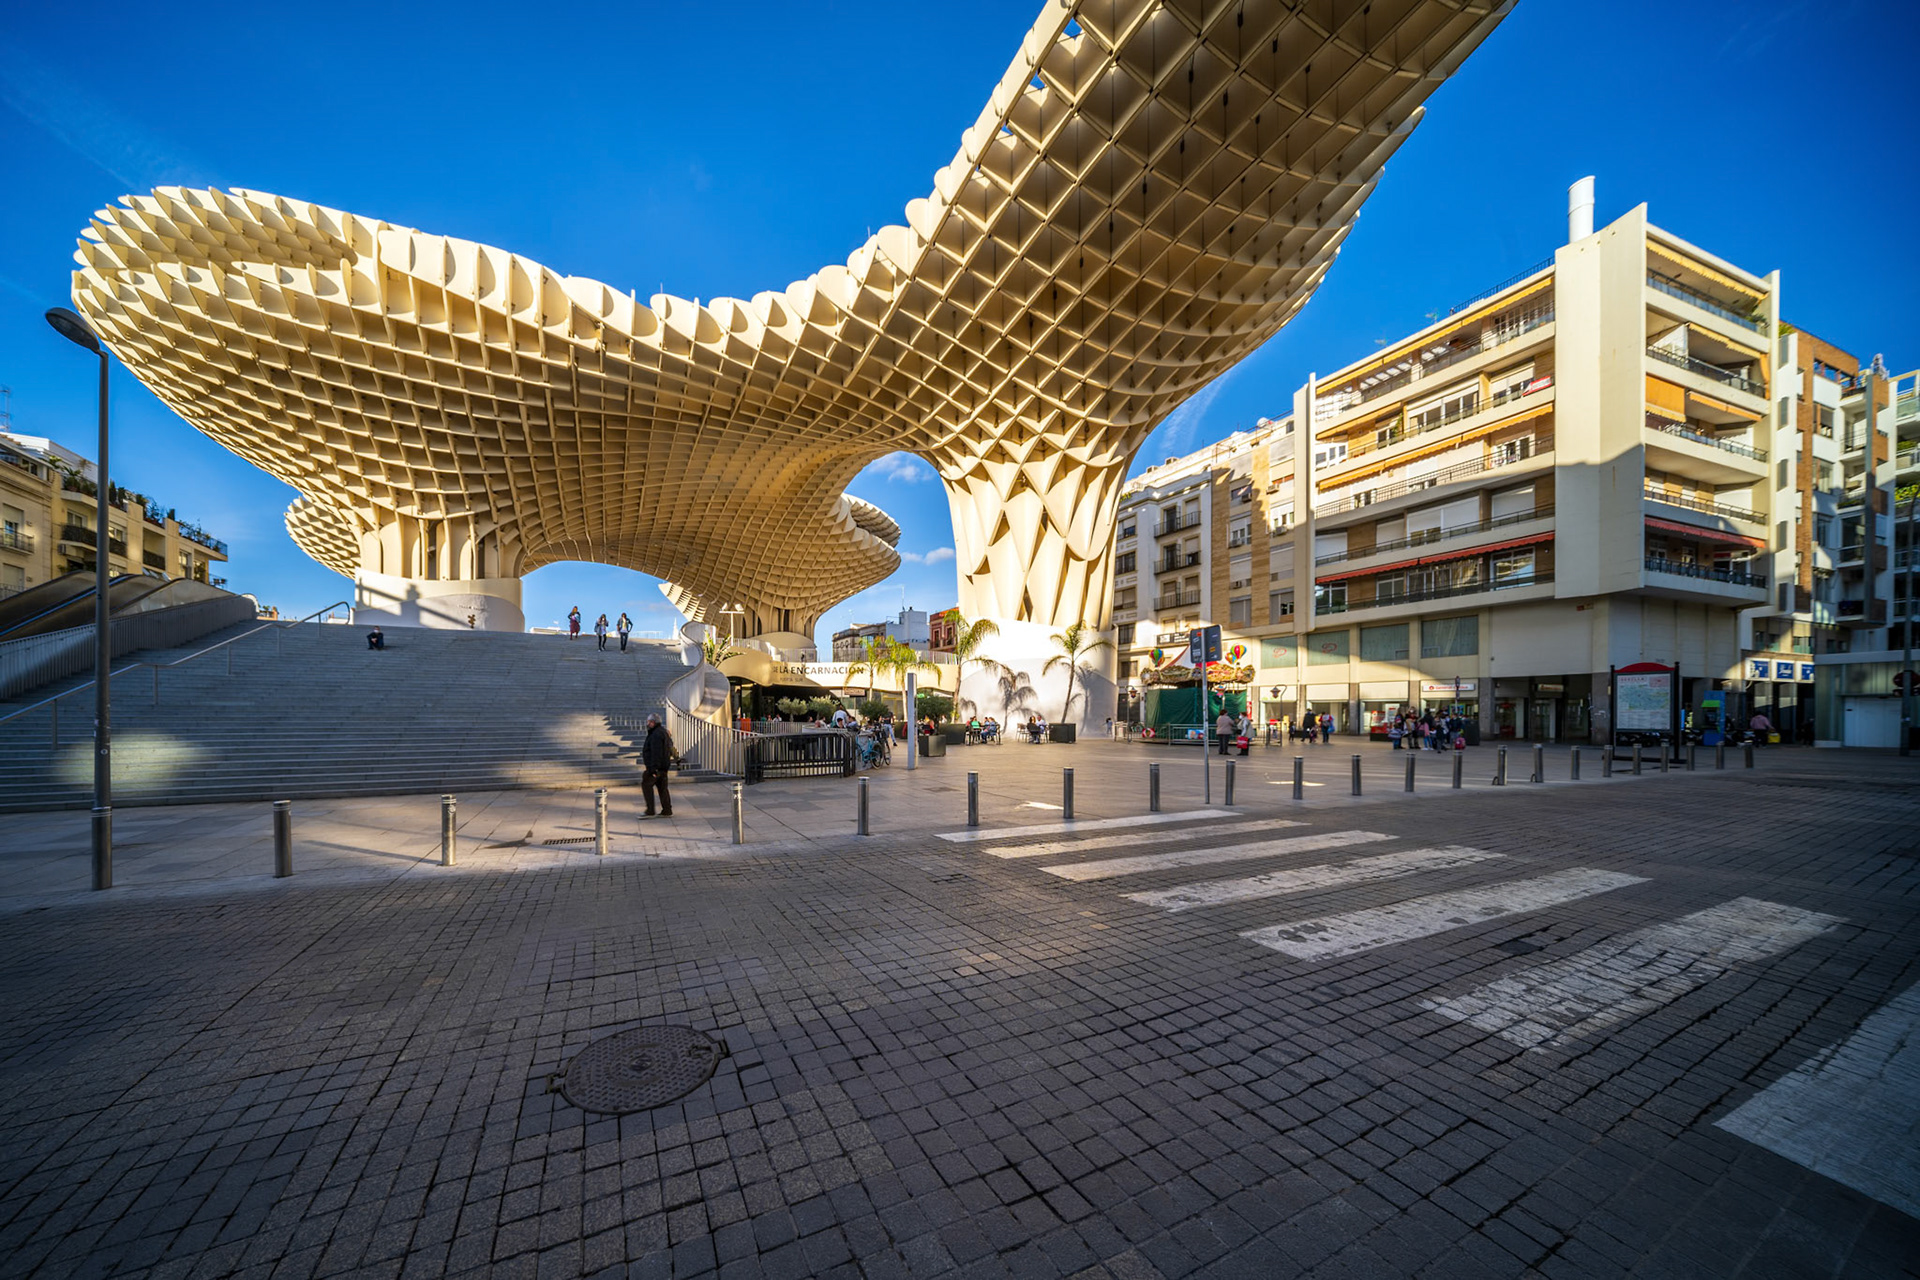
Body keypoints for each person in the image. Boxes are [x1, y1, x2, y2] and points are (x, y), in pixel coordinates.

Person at [640, 713, 673, 817]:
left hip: (656, 768)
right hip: (663, 767)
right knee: (663, 788)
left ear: (653, 723)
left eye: (649, 722)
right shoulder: (663, 732)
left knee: (646, 785)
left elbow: (656, 752)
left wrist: (653, 769)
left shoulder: (655, 735)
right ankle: (667, 810)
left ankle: (650, 810)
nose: (647, 724)